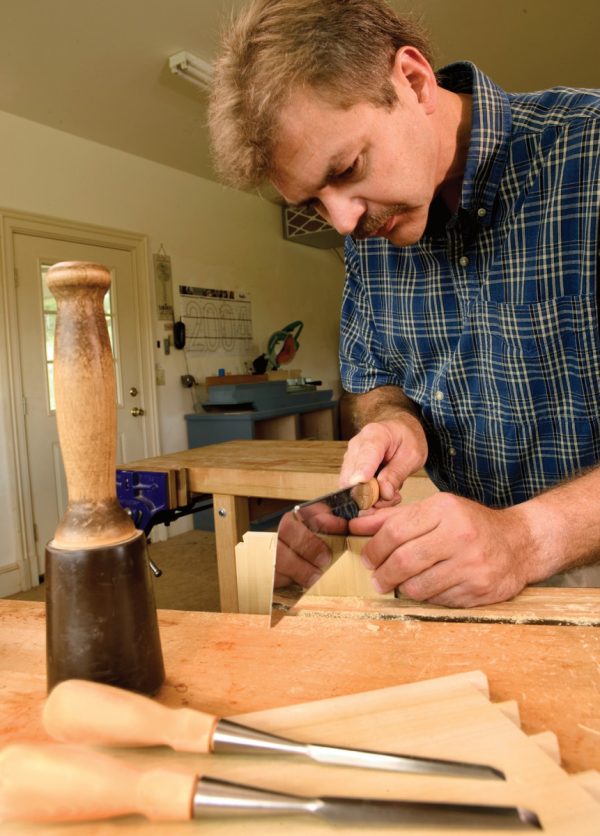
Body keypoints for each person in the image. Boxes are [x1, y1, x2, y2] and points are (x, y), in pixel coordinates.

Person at [208, 0, 600, 606]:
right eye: (314, 203)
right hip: (467, 581)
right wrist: (396, 423)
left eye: (347, 166)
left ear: (414, 81)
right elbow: (375, 383)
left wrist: (524, 538)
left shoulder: (589, 155)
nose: (343, 221)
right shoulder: (373, 230)